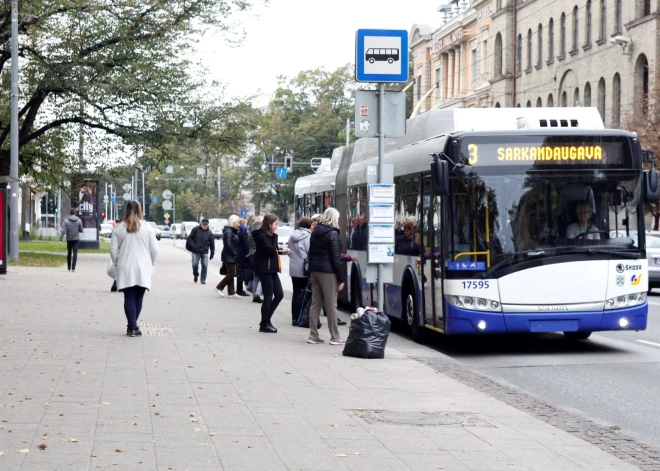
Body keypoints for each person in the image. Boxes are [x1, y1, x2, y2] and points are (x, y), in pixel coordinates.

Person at [110, 201, 158, 337]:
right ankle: (132, 326)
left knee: (129, 296)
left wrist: (117, 262)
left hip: (125, 266)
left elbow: (113, 250)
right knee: (139, 297)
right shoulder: (147, 228)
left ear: (126, 210)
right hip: (143, 266)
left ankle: (132, 326)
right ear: (140, 210)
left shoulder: (118, 228)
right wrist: (152, 263)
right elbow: (154, 249)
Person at [307, 208, 346, 345]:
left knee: (315, 303)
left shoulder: (315, 232)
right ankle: (335, 336)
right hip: (328, 272)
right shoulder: (333, 234)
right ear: (334, 218)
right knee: (331, 305)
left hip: (315, 270)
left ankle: (313, 335)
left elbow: (310, 253)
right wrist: (341, 278)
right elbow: (336, 258)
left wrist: (310, 270)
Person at [253, 213, 289, 333]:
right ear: (269, 224)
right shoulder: (262, 235)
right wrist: (275, 237)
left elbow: (274, 250)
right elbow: (270, 250)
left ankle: (266, 320)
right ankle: (264, 323)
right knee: (268, 297)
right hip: (265, 269)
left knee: (279, 295)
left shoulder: (269, 236)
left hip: (272, 269)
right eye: (276, 224)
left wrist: (282, 251)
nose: (277, 226)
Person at [289, 217, 313, 325]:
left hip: (294, 268)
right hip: (304, 268)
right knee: (305, 294)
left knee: (296, 292)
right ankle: (301, 317)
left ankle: (294, 317)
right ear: (309, 226)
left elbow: (289, 251)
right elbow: (310, 252)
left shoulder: (293, 235)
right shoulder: (308, 236)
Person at [216, 215, 241, 298]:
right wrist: (235, 254)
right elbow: (228, 245)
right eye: (237, 222)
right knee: (232, 273)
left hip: (231, 255)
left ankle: (231, 292)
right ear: (232, 223)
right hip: (228, 256)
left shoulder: (233, 231)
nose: (239, 224)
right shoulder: (228, 232)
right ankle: (219, 287)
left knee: (231, 273)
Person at [188, 218, 215, 284]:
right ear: (201, 224)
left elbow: (212, 244)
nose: (205, 226)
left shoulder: (210, 233)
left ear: (208, 225)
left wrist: (212, 253)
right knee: (195, 264)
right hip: (195, 251)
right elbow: (190, 238)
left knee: (205, 266)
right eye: (203, 224)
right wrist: (193, 245)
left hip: (204, 251)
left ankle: (203, 279)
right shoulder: (195, 229)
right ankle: (196, 274)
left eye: (206, 224)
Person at [59, 208, 84, 272]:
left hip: (69, 239)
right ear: (75, 213)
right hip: (76, 239)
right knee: (75, 253)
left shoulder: (66, 221)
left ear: (70, 213)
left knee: (69, 252)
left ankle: (69, 267)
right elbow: (81, 230)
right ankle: (73, 268)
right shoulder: (79, 220)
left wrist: (60, 239)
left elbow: (63, 231)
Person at [247, 215, 264, 303]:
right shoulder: (259, 231)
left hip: (251, 253)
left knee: (256, 277)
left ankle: (254, 295)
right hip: (258, 254)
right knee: (262, 276)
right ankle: (257, 294)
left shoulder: (250, 229)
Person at [235, 218, 250, 296]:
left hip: (238, 253)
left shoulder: (237, 232)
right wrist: (248, 255)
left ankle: (239, 289)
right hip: (242, 255)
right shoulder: (244, 233)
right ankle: (239, 290)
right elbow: (246, 245)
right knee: (241, 272)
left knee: (239, 272)